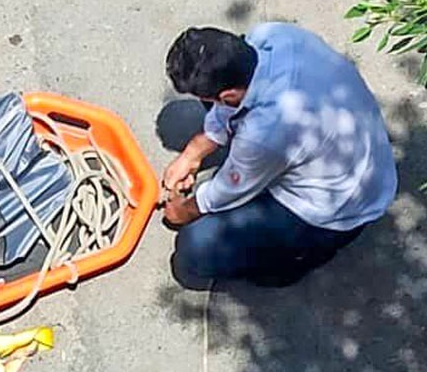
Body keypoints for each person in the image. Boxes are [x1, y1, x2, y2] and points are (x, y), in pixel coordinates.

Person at [161, 23, 398, 287]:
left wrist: (186, 209)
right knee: (220, 99)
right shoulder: (274, 35)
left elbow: (230, 188)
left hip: (335, 209)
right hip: (352, 151)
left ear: (228, 95)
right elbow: (229, 105)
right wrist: (194, 152)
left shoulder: (265, 132)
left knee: (195, 247)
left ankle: (293, 260)